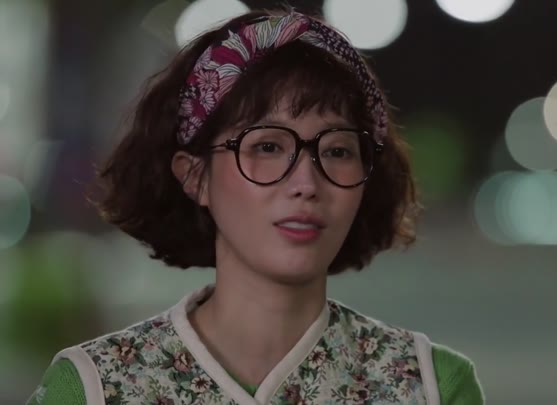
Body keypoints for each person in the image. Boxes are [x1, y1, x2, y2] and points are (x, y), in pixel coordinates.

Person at [27, 8, 484, 405]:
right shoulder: (95, 387)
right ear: (194, 176)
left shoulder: (431, 386)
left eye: (337, 151)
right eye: (267, 146)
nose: (306, 184)